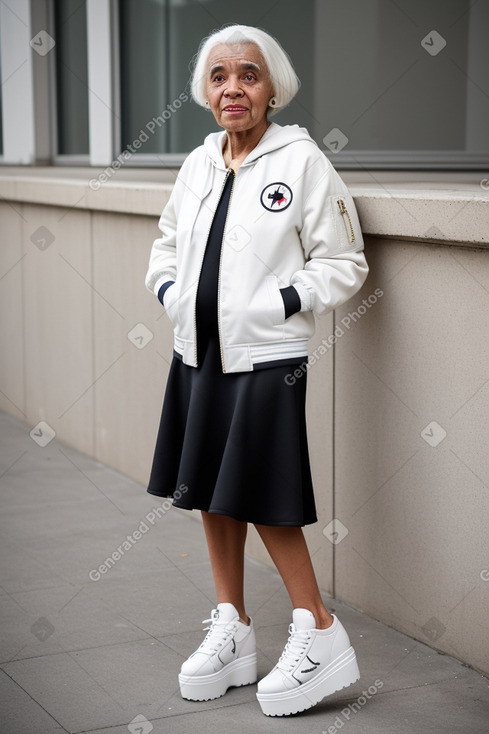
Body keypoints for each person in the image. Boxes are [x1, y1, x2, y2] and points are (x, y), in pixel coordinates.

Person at [145, 24, 368, 717]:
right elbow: (165, 245)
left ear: (272, 87)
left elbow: (344, 261)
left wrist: (278, 303)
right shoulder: (198, 163)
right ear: (203, 91)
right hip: (198, 353)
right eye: (218, 76)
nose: (232, 88)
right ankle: (232, 626)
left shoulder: (301, 162)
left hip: (269, 355)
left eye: (247, 74)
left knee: (263, 493)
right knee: (210, 488)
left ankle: (320, 631)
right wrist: (173, 296)